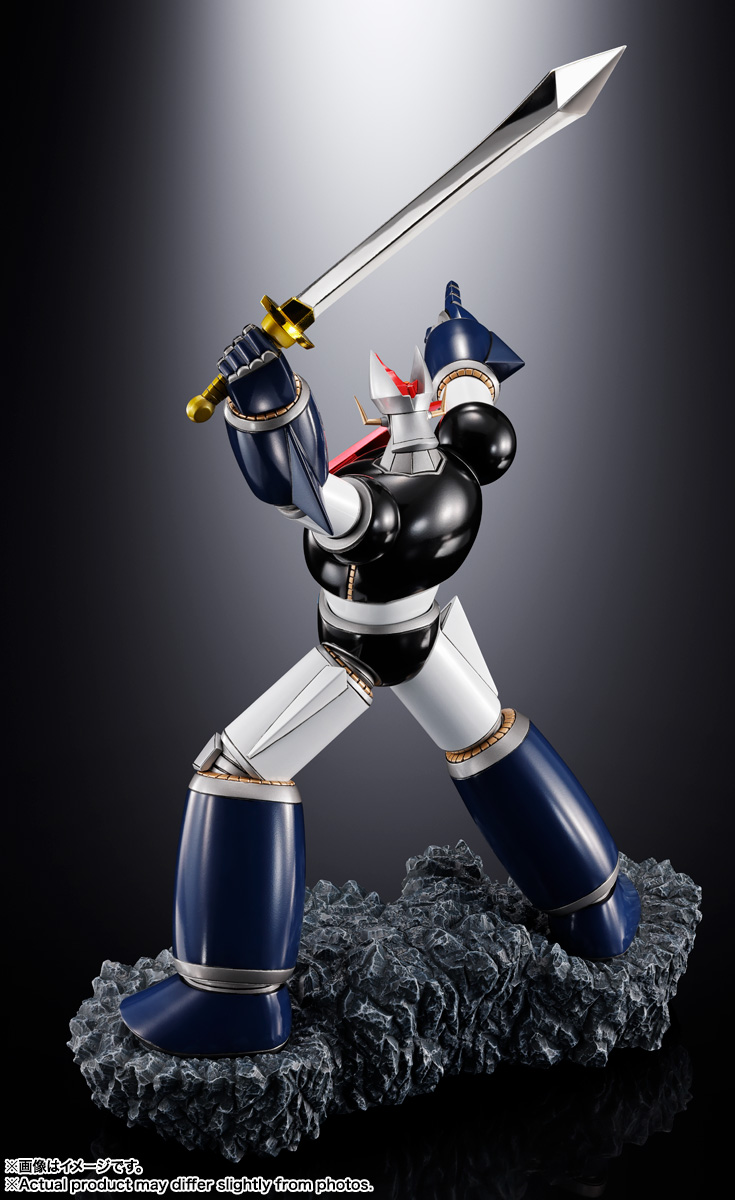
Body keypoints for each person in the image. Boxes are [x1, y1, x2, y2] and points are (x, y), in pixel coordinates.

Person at [120, 282, 640, 1057]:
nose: (397, 413)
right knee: (488, 739)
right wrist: (453, 339)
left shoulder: (407, 500)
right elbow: (466, 382)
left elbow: (302, 491)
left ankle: (231, 1000)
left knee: (235, 771)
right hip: (424, 642)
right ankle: (596, 907)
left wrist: (271, 408)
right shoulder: (455, 466)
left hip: (358, 651)